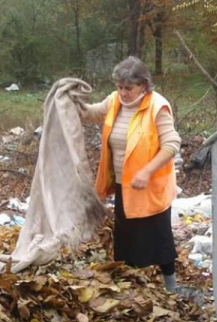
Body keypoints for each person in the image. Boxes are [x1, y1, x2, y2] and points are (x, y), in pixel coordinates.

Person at [76, 56, 183, 294]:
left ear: (143, 85)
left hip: (152, 186)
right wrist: (73, 105)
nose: (123, 93)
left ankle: (171, 288)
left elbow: (172, 143)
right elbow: (93, 113)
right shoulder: (114, 101)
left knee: (158, 237)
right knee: (126, 238)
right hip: (125, 185)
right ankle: (131, 287)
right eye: (119, 87)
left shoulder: (157, 106)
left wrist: (146, 171)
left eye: (128, 88)